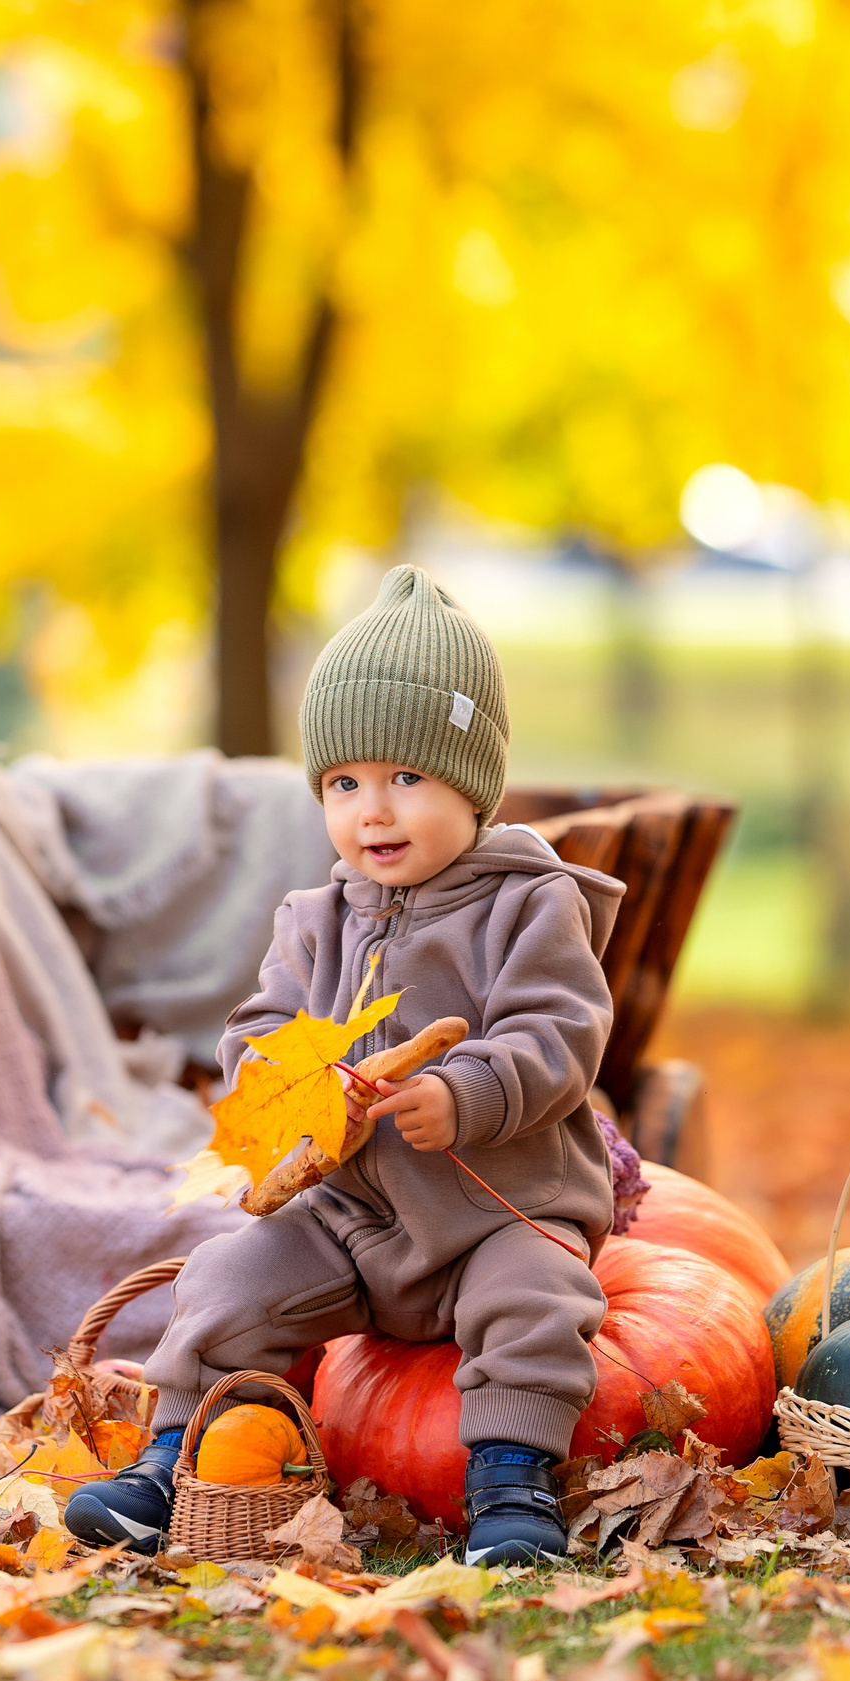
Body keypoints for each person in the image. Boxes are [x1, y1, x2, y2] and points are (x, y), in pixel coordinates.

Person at [64, 565, 625, 1565]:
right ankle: (174, 1460)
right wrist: (290, 1089)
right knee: (228, 1279)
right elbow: (259, 1033)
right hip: (350, 1217)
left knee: (535, 1300)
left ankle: (508, 1483)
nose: (374, 811)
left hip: (496, 1209)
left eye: (407, 778)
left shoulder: (531, 904)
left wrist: (466, 1093)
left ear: (472, 783)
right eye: (344, 784)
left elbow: (560, 1034)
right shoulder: (310, 919)